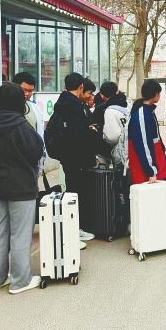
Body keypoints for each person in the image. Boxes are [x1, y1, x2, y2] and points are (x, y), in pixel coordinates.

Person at [0, 83, 44, 294]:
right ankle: (20, 280)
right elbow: (36, 151)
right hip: (22, 189)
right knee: (20, 235)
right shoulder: (21, 125)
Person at [52, 72, 101, 241]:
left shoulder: (61, 104)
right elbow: (79, 136)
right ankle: (77, 228)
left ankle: (73, 227)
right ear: (81, 86)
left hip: (67, 157)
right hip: (78, 159)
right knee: (79, 193)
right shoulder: (76, 107)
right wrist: (91, 132)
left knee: (72, 190)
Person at [128, 79, 166, 185]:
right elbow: (143, 144)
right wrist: (151, 170)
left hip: (153, 162)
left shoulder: (147, 111)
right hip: (146, 168)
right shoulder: (142, 115)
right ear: (156, 94)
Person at [93, 81, 130, 165]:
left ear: (102, 95)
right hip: (131, 149)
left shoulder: (110, 110)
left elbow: (112, 137)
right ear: (117, 91)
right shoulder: (127, 106)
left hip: (120, 152)